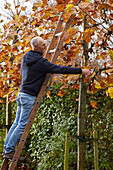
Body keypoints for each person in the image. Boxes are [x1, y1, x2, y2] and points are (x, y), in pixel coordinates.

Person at [3, 36, 91, 159]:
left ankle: (7, 149)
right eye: (43, 45)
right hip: (29, 97)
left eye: (45, 44)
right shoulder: (40, 62)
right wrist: (81, 70)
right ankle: (9, 150)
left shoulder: (26, 57)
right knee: (22, 124)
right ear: (36, 47)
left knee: (16, 123)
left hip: (22, 94)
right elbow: (61, 69)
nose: (45, 47)